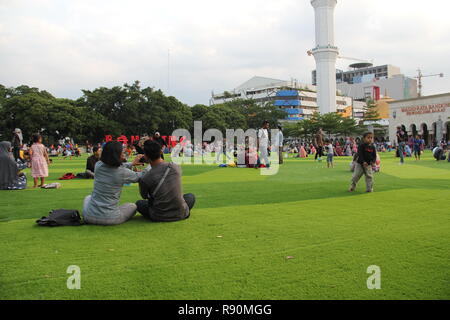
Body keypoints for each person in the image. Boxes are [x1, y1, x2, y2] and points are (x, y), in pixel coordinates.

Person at [83, 141, 150, 226]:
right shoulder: (121, 172)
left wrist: (132, 164)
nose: (123, 154)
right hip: (110, 218)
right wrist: (152, 163)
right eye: (122, 152)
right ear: (116, 155)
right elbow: (141, 176)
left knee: (88, 197)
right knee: (132, 206)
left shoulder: (98, 165)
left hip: (89, 216)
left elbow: (114, 165)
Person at [136, 140, 195, 222]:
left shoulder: (145, 178)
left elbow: (145, 196)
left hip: (159, 215)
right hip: (181, 213)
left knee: (139, 203)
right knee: (190, 197)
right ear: (161, 151)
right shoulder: (176, 167)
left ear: (145, 156)